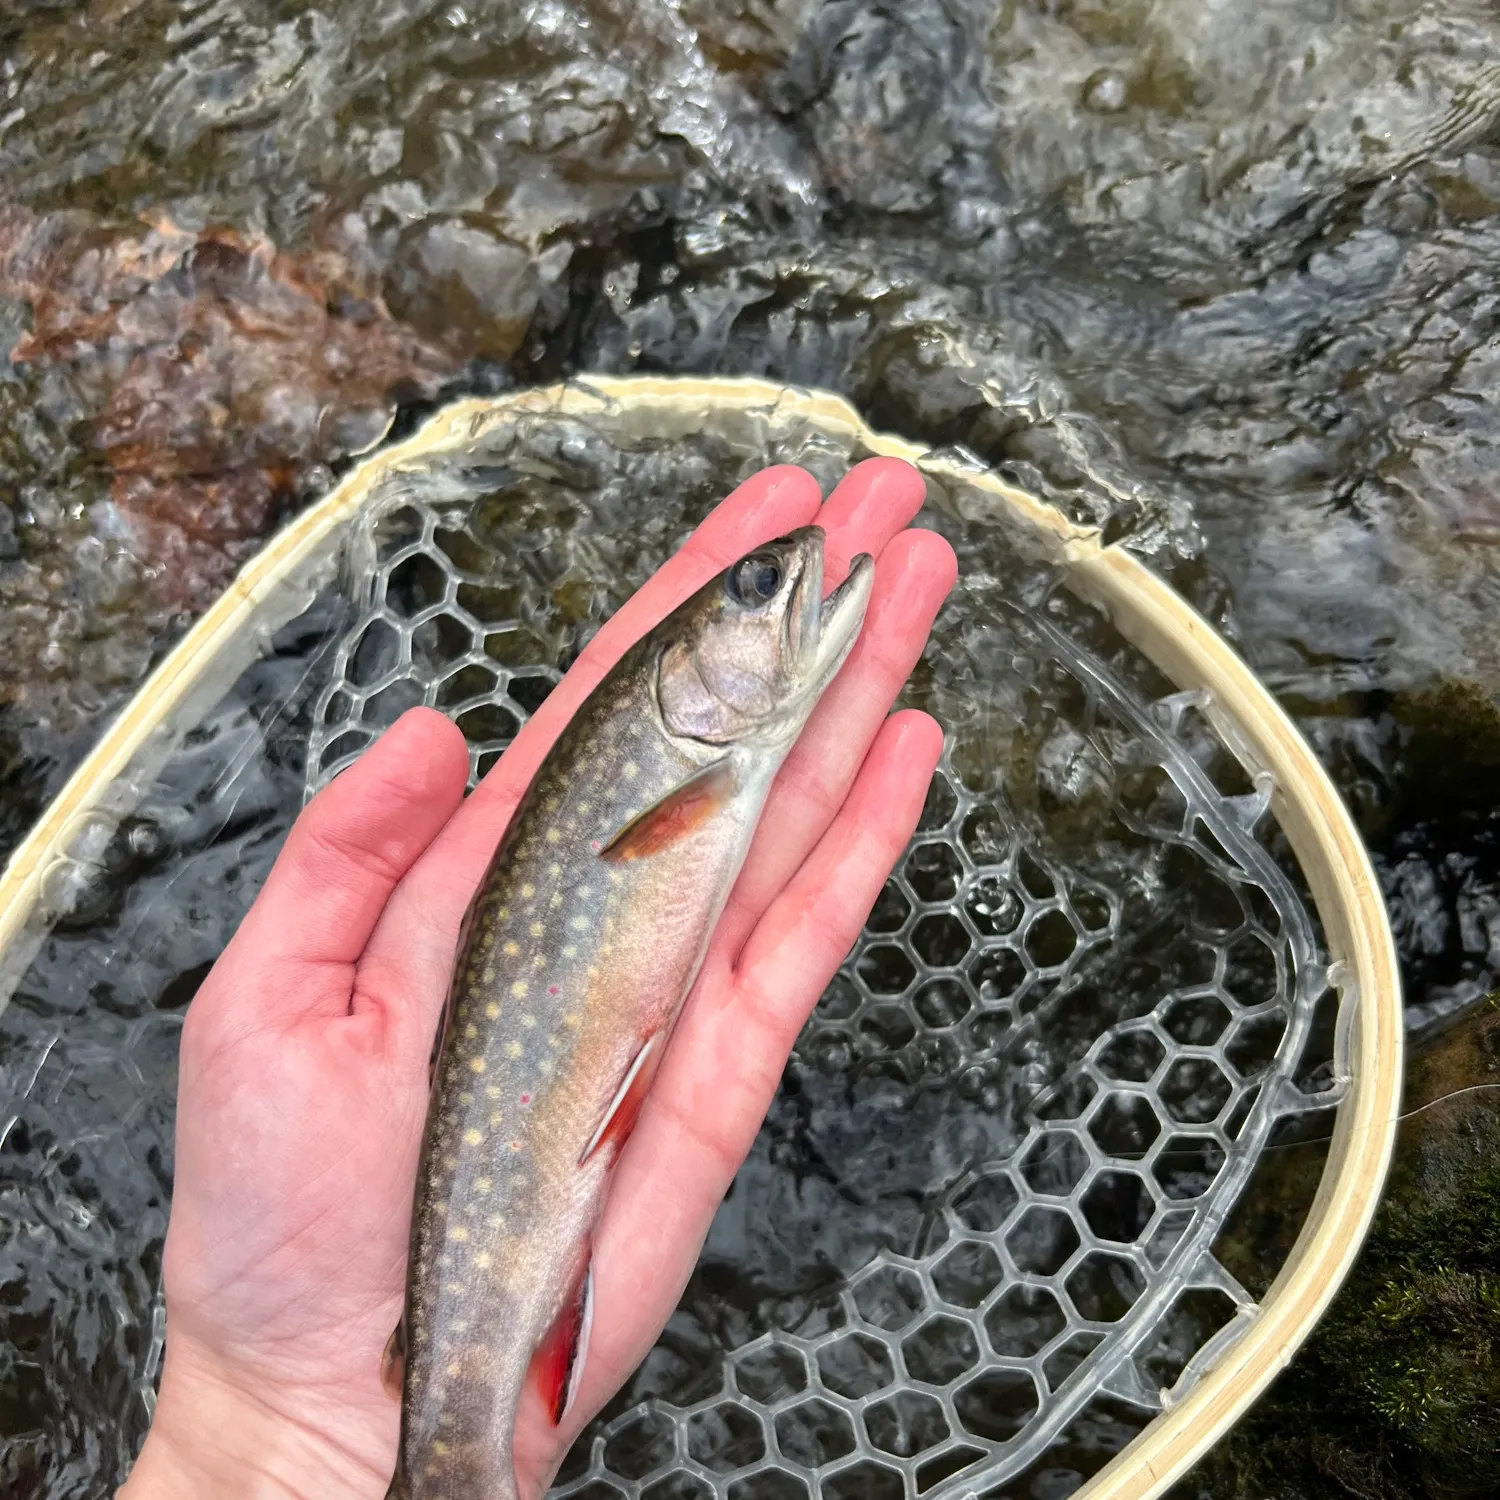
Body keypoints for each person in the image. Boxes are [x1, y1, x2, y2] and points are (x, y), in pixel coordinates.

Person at [117, 458, 957, 1499]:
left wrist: (242, 1446)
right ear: (677, 678)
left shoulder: (700, 768)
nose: (783, 584)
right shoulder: (698, 770)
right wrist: (266, 1421)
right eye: (754, 591)